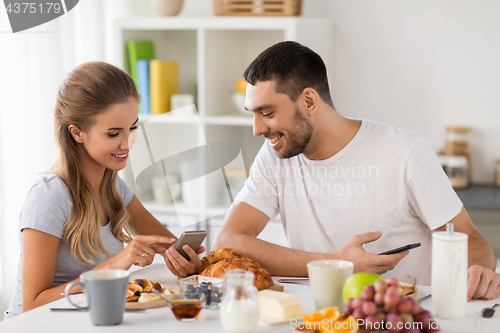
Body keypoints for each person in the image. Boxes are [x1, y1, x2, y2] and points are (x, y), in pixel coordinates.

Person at [213, 41, 500, 300]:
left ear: (309, 101)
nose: (257, 129)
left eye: (267, 113)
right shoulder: (275, 155)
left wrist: (478, 273)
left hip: (398, 319)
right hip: (317, 316)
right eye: (252, 114)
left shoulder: (405, 151)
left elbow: (469, 237)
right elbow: (228, 240)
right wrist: (335, 263)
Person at [4, 62, 203, 318]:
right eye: (113, 134)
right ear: (77, 132)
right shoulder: (50, 195)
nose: (127, 143)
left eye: (132, 128)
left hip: (87, 321)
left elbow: (170, 247)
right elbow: (32, 303)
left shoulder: (114, 187)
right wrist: (115, 265)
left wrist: (185, 261)